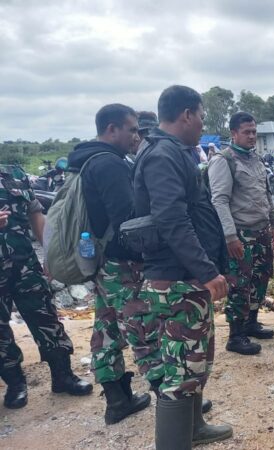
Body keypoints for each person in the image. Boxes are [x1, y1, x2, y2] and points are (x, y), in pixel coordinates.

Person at [132, 85, 231, 448]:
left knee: (195, 363)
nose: (203, 122)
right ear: (186, 114)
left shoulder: (176, 153)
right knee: (179, 371)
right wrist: (206, 270)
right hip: (176, 279)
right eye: (202, 115)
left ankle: (194, 428)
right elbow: (172, 219)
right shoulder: (163, 156)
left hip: (186, 277)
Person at [67, 104, 153, 424]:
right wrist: (147, 256)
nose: (136, 136)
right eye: (131, 129)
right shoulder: (110, 164)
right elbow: (128, 222)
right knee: (143, 327)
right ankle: (176, 400)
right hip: (122, 264)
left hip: (100, 261)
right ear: (111, 129)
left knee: (105, 326)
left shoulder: (86, 160)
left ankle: (117, 400)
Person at [0, 165, 93, 410]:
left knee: (46, 318)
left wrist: (50, 255)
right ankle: (16, 384)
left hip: (25, 266)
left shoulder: (15, 175)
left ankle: (62, 376)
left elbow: (36, 216)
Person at [208, 112, 274, 355]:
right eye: (246, 132)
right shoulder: (224, 160)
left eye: (254, 132)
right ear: (234, 134)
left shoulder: (255, 159)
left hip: (261, 231)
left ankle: (251, 323)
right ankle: (235, 335)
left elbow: (265, 193)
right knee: (240, 284)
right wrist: (230, 237)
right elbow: (219, 200)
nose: (251, 136)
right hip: (240, 234)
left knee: (260, 279)